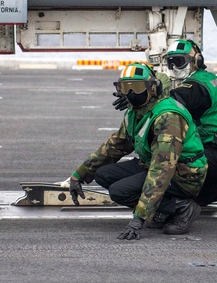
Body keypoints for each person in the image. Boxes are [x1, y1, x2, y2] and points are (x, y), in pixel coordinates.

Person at [68, 63, 208, 240]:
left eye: (137, 87)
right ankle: (163, 208)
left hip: (184, 175)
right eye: (126, 88)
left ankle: (182, 207)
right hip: (153, 164)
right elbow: (114, 146)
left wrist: (139, 218)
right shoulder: (136, 112)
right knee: (103, 174)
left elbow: (162, 170)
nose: (132, 93)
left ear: (152, 88)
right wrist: (79, 175)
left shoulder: (168, 117)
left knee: (120, 191)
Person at [163, 39, 217, 219]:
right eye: (171, 63)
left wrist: (144, 95)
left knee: (165, 169)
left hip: (214, 154)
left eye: (179, 62)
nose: (175, 67)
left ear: (197, 61)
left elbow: (175, 99)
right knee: (198, 197)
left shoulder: (196, 86)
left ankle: (169, 212)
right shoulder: (210, 79)